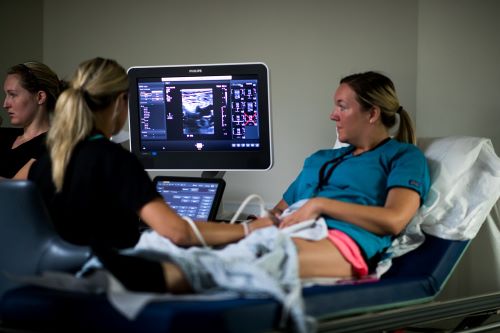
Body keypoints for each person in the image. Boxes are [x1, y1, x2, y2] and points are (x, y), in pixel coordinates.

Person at [91, 71, 431, 294]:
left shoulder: (403, 156)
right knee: (205, 249)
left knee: (238, 266)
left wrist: (319, 205)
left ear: (372, 113)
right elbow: (278, 212)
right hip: (287, 232)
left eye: (342, 106)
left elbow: (394, 220)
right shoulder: (321, 159)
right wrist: (259, 223)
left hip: (344, 243)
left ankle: (121, 281)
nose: (332, 114)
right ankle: (118, 273)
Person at [27, 57, 272, 282]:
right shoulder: (116, 160)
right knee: (203, 270)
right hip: (107, 273)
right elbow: (178, 233)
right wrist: (248, 228)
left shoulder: (48, 160)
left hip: (56, 275)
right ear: (121, 101)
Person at [0, 61, 66, 179]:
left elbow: (13, 190)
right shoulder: (4, 135)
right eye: (6, 95)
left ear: (40, 97)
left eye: (13, 95)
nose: (5, 104)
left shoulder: (53, 144)